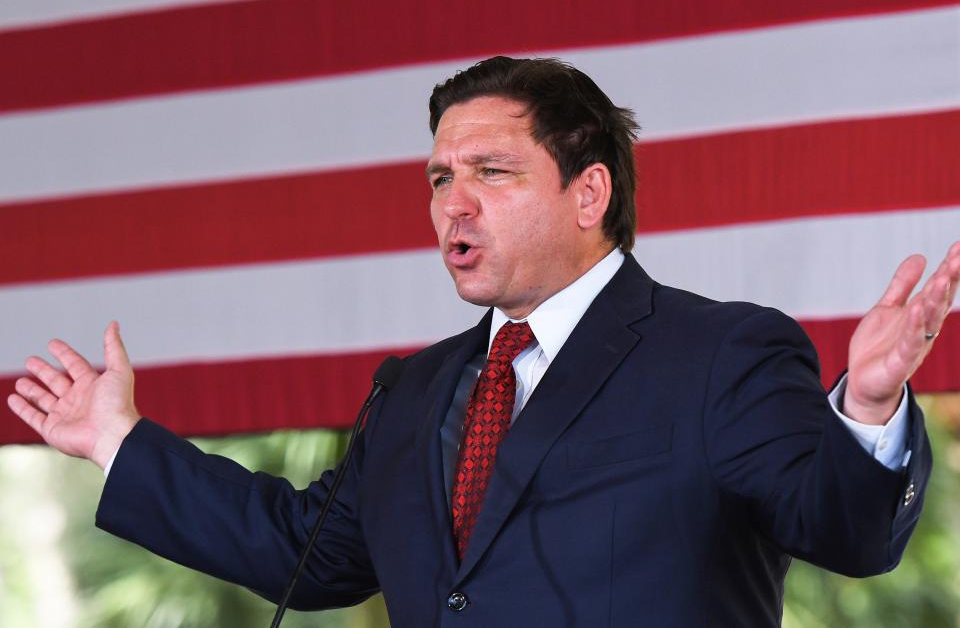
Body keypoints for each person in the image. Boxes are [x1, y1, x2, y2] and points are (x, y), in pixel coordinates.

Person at [7, 57, 960, 627]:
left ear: (589, 194)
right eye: (437, 177)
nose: (451, 203)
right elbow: (307, 551)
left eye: (491, 171)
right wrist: (117, 441)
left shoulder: (722, 352)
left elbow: (846, 529)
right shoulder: (416, 390)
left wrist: (869, 409)